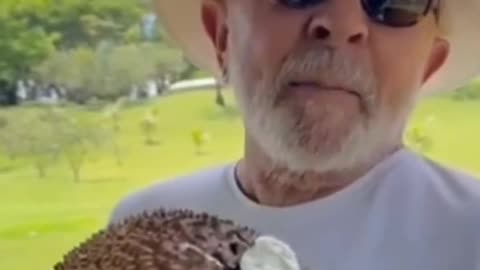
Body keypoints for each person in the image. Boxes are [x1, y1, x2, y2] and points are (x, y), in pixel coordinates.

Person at [110, 0, 480, 269]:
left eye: (395, 2)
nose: (342, 22)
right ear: (222, 35)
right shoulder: (141, 234)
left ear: (427, 66)